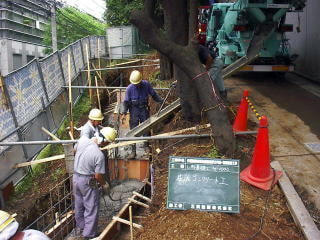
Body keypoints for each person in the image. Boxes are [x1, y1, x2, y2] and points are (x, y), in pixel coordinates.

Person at [72, 127, 117, 240]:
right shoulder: (99, 155)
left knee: (79, 203)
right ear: (105, 140)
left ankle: (81, 227)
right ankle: (89, 234)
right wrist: (104, 184)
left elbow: (74, 151)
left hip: (76, 177)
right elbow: (97, 176)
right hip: (87, 180)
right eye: (107, 142)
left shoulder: (83, 140)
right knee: (91, 207)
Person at [120, 70, 163, 159]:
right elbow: (126, 102)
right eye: (134, 84)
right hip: (134, 110)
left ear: (140, 80)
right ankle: (133, 151)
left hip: (144, 109)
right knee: (133, 131)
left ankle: (146, 147)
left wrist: (161, 101)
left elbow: (154, 94)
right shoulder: (129, 89)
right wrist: (124, 112)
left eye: (137, 83)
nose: (136, 85)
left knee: (146, 129)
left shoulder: (146, 85)